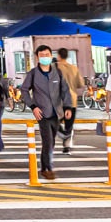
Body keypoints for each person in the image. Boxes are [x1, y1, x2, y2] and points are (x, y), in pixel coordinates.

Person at [20, 45, 72, 180]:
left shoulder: (58, 72)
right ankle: (46, 168)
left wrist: (67, 107)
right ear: (37, 57)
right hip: (42, 113)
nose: (45, 57)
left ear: (51, 55)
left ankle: (46, 165)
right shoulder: (33, 74)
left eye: (47, 54)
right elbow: (24, 90)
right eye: (42, 55)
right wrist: (33, 106)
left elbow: (65, 90)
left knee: (52, 141)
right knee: (47, 141)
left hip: (57, 113)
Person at [55, 47, 84, 155]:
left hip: (57, 100)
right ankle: (66, 146)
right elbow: (80, 84)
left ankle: (62, 133)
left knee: (53, 120)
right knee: (69, 124)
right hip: (72, 100)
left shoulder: (54, 67)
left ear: (58, 56)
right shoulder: (74, 68)